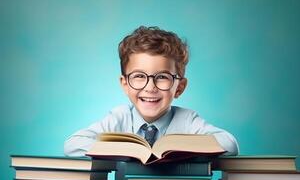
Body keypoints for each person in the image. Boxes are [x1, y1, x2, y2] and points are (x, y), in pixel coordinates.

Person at [64, 26, 239, 157]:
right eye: (139, 76)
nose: (150, 87)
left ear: (179, 87)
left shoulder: (187, 120)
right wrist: (126, 150)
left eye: (162, 77)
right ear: (125, 84)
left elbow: (230, 145)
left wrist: (181, 149)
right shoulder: (119, 117)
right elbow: (73, 144)